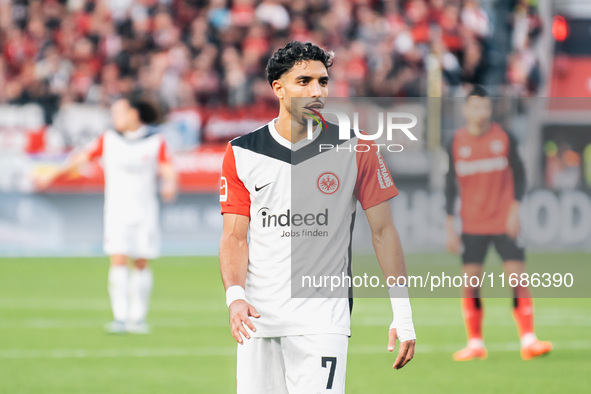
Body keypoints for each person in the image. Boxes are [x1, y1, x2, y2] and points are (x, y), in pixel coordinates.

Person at [219, 41, 416, 394]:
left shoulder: (357, 148)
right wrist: (235, 297)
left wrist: (402, 313)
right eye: (304, 81)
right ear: (278, 88)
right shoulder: (241, 152)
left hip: (323, 319)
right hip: (257, 320)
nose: (317, 92)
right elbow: (234, 236)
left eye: (323, 82)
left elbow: (384, 232)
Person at [35, 97, 177, 334]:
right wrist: (51, 176)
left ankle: (138, 317)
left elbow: (168, 168)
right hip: (116, 211)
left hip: (145, 211)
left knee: (141, 261)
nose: (114, 118)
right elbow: (78, 159)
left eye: (118, 113)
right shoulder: (108, 139)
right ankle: (120, 317)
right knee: (118, 259)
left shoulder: (155, 141)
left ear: (133, 114)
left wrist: (170, 183)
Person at [445, 85, 552, 360]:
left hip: (505, 221)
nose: (481, 112)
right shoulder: (455, 142)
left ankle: (529, 339)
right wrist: (449, 223)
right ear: (466, 110)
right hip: (472, 224)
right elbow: (450, 185)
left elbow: (520, 175)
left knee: (517, 277)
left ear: (491, 110)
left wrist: (515, 210)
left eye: (485, 107)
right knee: (470, 282)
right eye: (476, 106)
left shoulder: (504, 137)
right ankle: (475, 343)